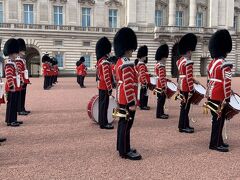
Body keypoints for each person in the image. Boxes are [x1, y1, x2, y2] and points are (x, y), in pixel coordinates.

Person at [114, 27, 142, 160]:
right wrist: (132, 102)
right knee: (126, 124)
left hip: (121, 97)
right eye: (131, 49)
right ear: (127, 48)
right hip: (127, 99)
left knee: (122, 123)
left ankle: (121, 146)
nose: (132, 51)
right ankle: (125, 151)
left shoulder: (119, 62)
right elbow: (128, 84)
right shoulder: (127, 63)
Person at [207, 29, 233, 152]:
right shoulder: (224, 64)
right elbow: (227, 83)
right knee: (218, 119)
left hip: (212, 93)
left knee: (216, 119)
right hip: (220, 95)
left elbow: (209, 80)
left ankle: (218, 141)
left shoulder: (211, 63)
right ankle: (215, 144)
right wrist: (227, 97)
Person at [176, 33, 197, 133]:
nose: (191, 53)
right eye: (191, 52)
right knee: (185, 107)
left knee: (183, 106)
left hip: (181, 85)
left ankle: (184, 124)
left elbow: (181, 75)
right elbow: (188, 77)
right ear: (188, 51)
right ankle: (183, 126)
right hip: (186, 87)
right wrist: (192, 89)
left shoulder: (179, 61)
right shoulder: (188, 62)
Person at [4, 38, 23, 127]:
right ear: (12, 52)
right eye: (16, 52)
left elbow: (17, 73)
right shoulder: (9, 63)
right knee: (11, 104)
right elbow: (8, 76)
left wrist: (21, 81)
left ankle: (13, 119)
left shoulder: (13, 62)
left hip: (16, 85)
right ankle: (10, 120)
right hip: (12, 87)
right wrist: (12, 86)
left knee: (14, 104)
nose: (17, 54)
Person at [96, 37, 114, 129]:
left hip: (101, 86)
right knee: (104, 106)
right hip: (105, 87)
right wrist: (110, 88)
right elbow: (107, 77)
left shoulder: (100, 61)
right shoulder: (105, 62)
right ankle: (104, 123)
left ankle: (102, 122)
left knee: (102, 105)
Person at [16, 38, 31, 116]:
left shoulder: (22, 60)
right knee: (20, 95)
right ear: (19, 51)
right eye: (23, 50)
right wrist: (21, 81)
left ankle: (22, 108)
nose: (24, 52)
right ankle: (19, 109)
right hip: (21, 81)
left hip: (24, 80)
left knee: (23, 95)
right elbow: (19, 72)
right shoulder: (18, 60)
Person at [155, 44, 170, 119]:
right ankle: (159, 114)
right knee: (161, 100)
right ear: (163, 57)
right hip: (161, 86)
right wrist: (164, 86)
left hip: (158, 84)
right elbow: (161, 77)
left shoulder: (157, 64)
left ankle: (161, 113)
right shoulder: (161, 65)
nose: (166, 59)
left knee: (160, 100)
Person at [136, 45, 150, 110]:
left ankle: (143, 105)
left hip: (142, 81)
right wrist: (144, 82)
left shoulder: (141, 64)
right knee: (143, 94)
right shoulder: (141, 64)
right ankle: (142, 105)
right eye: (145, 56)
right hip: (143, 82)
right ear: (142, 56)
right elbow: (142, 74)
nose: (146, 57)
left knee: (143, 93)